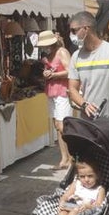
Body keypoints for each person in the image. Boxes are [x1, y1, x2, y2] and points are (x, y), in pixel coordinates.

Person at [38, 159, 106, 215]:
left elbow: (99, 205)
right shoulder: (76, 184)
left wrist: (88, 206)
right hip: (72, 205)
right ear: (78, 176)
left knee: (74, 211)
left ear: (97, 175)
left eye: (90, 176)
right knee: (63, 213)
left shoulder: (99, 189)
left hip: (85, 210)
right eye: (82, 176)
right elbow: (65, 195)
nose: (86, 179)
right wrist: (62, 202)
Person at [38, 30, 74, 169]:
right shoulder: (49, 54)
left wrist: (54, 75)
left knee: (63, 125)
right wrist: (46, 73)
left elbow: (71, 71)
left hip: (62, 91)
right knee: (57, 126)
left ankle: (71, 157)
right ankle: (64, 158)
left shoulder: (62, 52)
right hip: (52, 91)